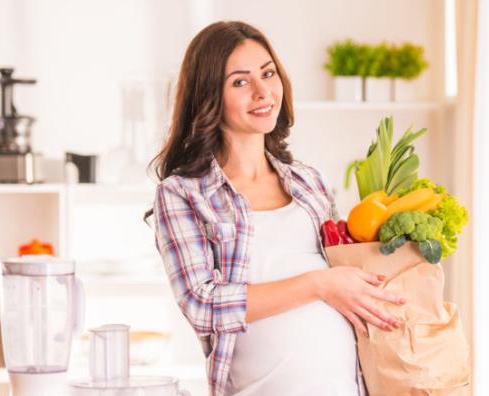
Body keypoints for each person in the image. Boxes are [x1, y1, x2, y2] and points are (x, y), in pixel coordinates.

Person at [145, 21, 405, 396]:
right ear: (208, 97)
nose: (263, 91)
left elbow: (345, 281)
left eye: (268, 73)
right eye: (240, 81)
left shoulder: (307, 181)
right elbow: (202, 305)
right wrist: (319, 285)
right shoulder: (183, 194)